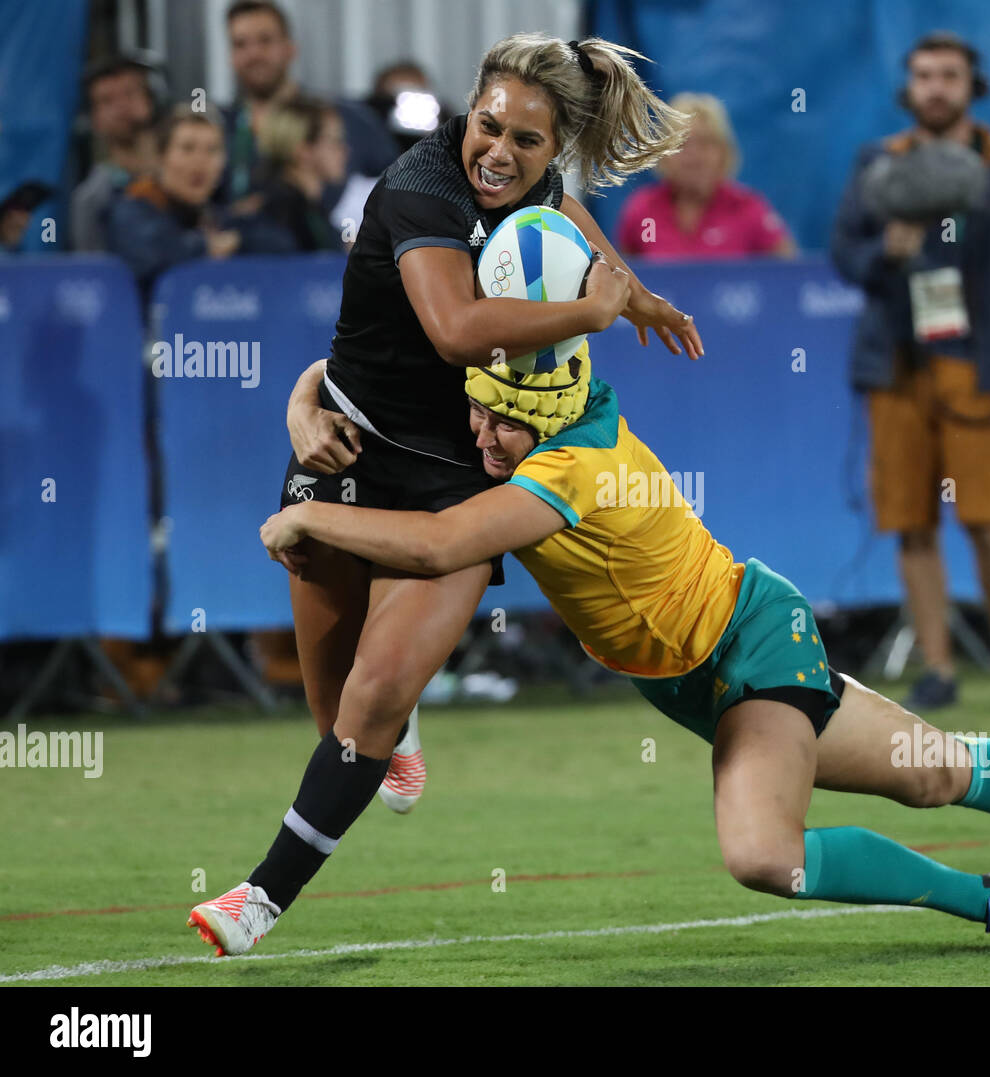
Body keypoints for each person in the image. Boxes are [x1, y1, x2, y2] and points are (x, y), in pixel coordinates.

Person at [197, 334, 990, 957]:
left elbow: (437, 546)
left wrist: (308, 522)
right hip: (710, 658)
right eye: (475, 411)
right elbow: (352, 369)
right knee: (936, 771)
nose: (478, 436)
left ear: (539, 418)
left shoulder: (571, 471)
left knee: (760, 855)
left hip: (748, 645)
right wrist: (300, 406)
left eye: (497, 425)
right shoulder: (551, 400)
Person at [184, 33, 703, 952]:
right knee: (337, 713)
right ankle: (395, 722)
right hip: (345, 447)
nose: (498, 150)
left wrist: (640, 293)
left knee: (372, 697)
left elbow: (573, 218)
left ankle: (257, 900)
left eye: (528, 141)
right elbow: (458, 329)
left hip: (453, 475)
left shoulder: (540, 188)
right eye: (489, 126)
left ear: (556, 148)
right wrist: (595, 309)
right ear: (471, 108)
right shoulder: (424, 183)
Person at [830, 31, 990, 712]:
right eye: (923, 76)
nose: (935, 87)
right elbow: (844, 255)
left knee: (988, 519)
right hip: (896, 365)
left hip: (981, 365)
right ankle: (937, 669)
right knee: (911, 521)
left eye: (949, 75)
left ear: (974, 86)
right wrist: (888, 249)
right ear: (908, 89)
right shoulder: (878, 163)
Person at [220, 1, 399, 207]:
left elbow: (402, 191)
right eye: (240, 44)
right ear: (231, 56)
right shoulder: (219, 131)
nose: (254, 54)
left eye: (265, 40)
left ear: (290, 49)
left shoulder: (348, 119)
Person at [104, 106, 278, 295]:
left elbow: (281, 245)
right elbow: (152, 254)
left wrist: (238, 241)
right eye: (187, 148)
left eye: (212, 150)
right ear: (161, 157)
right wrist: (207, 246)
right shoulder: (132, 208)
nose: (200, 161)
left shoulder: (217, 216)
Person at [615, 93, 796, 259]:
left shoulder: (748, 209)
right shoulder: (642, 210)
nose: (693, 155)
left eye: (705, 143)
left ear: (724, 153)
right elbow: (624, 278)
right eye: (682, 143)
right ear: (663, 154)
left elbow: (788, 274)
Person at [70, 56, 158, 252]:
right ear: (94, 120)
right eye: (107, 100)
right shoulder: (90, 199)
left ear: (151, 100)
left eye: (129, 93)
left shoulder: (186, 173)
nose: (121, 106)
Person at [252, 96, 349, 252]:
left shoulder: (313, 209)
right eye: (335, 140)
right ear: (303, 150)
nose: (344, 150)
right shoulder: (285, 216)